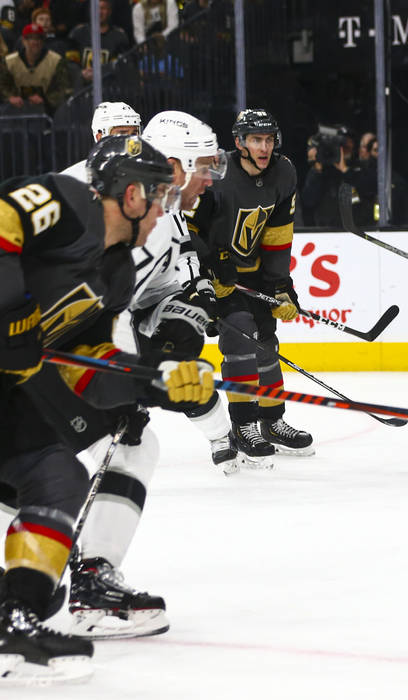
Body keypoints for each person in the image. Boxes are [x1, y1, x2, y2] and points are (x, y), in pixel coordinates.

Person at [0, 134, 209, 683]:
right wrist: (14, 315)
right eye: (159, 194)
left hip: (8, 387)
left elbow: (84, 366)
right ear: (132, 194)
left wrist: (157, 384)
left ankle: (14, 619)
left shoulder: (114, 270)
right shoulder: (71, 204)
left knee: (57, 475)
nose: (165, 205)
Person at [58, 113, 231, 641]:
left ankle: (90, 582)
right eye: (203, 167)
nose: (210, 180)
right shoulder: (86, 194)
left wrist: (181, 314)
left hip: (64, 352)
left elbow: (143, 299)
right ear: (173, 166)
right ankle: (84, 586)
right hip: (35, 350)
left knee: (127, 439)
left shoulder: (166, 218)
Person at [186, 108, 313, 457]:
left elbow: (277, 235)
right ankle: (243, 425)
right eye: (256, 139)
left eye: (269, 139)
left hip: (252, 271)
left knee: (265, 341)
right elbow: (189, 227)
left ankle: (271, 421)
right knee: (240, 335)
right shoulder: (215, 170)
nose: (264, 147)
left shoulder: (283, 172)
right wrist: (210, 266)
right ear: (240, 142)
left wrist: (280, 285)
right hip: (215, 273)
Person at [0, 22, 70, 113]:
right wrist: (10, 97)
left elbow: (63, 88)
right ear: (23, 41)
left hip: (48, 112)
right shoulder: (9, 62)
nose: (35, 42)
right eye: (30, 38)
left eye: (39, 38)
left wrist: (46, 100)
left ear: (43, 41)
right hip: (15, 111)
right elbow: (2, 85)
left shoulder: (56, 61)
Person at [60, 101, 141, 180]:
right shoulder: (75, 177)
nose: (130, 139)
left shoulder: (146, 170)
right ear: (100, 137)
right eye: (122, 133)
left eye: (134, 133)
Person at [68, 0, 130, 83]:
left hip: (109, 88)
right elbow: (70, 61)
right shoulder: (78, 33)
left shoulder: (119, 37)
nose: (99, 12)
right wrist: (81, 73)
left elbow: (120, 65)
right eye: (96, 8)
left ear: (109, 11)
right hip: (81, 88)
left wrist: (101, 73)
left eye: (103, 8)